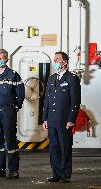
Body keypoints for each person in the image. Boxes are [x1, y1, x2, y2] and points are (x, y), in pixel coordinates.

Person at [0, 49, 25, 179]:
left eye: (2, 58)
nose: (0, 60)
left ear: (7, 60)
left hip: (8, 112)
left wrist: (15, 107)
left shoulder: (13, 75)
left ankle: (13, 170)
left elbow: (20, 94)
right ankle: (0, 169)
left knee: (11, 141)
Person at [42, 51, 81, 183]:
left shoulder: (72, 78)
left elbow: (75, 101)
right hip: (52, 119)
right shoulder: (52, 78)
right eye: (54, 59)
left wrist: (71, 120)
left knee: (65, 147)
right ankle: (56, 173)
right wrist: (45, 118)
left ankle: (65, 174)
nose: (55, 62)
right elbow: (47, 100)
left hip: (64, 120)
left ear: (64, 62)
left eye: (57, 59)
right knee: (53, 148)